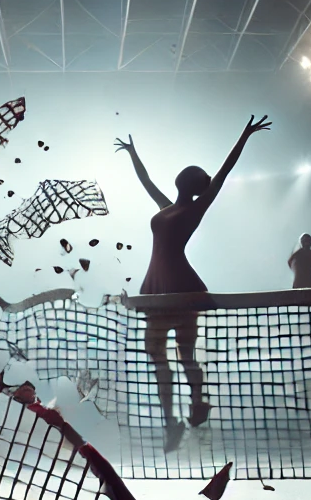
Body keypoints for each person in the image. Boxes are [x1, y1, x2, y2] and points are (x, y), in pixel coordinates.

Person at [116, 114, 272, 451]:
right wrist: (132, 153)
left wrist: (244, 135)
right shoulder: (167, 207)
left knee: (183, 355)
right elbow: (145, 181)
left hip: (178, 286)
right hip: (158, 286)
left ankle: (197, 403)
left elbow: (224, 172)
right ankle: (172, 422)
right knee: (158, 356)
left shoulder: (195, 209)